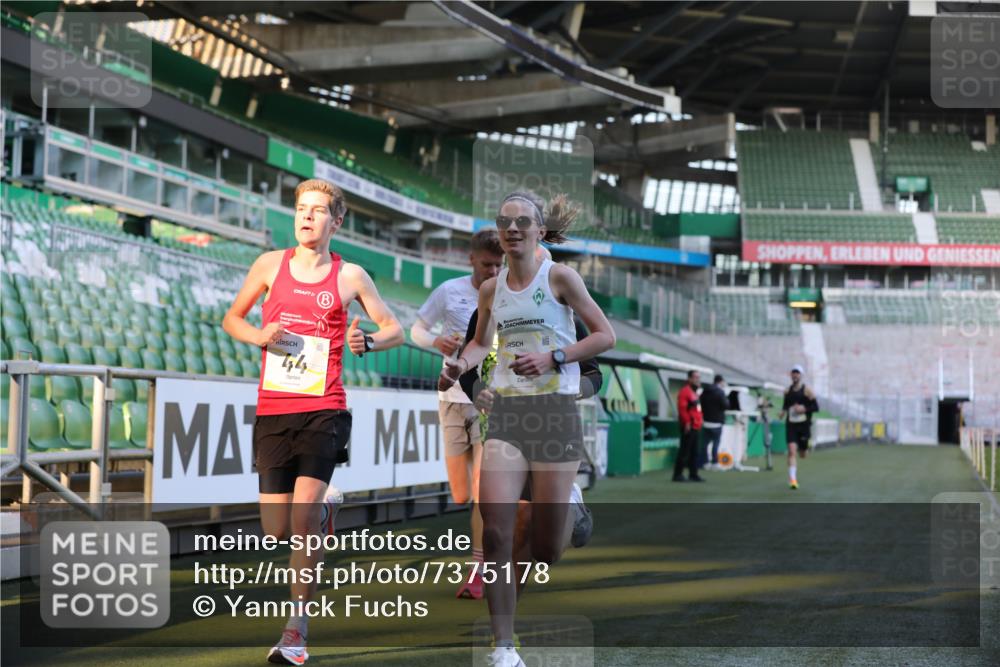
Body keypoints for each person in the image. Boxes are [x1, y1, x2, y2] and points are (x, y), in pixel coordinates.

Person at [223, 178, 404, 665]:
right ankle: (326, 513)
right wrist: (260, 336)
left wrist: (369, 341)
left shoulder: (351, 277)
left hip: (325, 407)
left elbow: (394, 329)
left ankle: (295, 633)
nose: (306, 216)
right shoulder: (268, 265)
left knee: (300, 525)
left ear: (336, 221)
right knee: (276, 531)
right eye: (301, 209)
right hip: (273, 410)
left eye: (318, 210)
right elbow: (232, 319)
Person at [438, 191, 615, 667]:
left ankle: (569, 501)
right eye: (505, 222)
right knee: (495, 534)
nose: (512, 228)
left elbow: (605, 335)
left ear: (539, 231)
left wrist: (555, 357)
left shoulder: (560, 277)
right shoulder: (491, 291)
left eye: (522, 222)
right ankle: (503, 648)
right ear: (499, 233)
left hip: (554, 414)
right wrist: (459, 368)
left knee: (545, 549)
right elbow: (477, 345)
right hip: (509, 418)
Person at [410, 228, 504, 599]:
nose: (493, 272)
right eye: (487, 265)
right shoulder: (449, 291)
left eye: (499, 265)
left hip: (489, 402)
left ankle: (477, 571)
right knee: (461, 494)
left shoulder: (507, 294)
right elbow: (416, 328)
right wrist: (435, 341)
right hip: (451, 397)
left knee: (483, 492)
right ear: (471, 260)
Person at [778, 364, 819, 490]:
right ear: (791, 375)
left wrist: (804, 408)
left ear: (801, 375)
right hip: (791, 425)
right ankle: (793, 480)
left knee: (803, 454)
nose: (795, 375)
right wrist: (782, 413)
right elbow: (785, 405)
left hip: (804, 425)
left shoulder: (807, 391)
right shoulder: (787, 391)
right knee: (791, 451)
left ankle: (807, 445)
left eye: (797, 373)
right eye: (793, 372)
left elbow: (816, 407)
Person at [674, 370, 705, 482]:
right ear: (689, 379)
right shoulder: (685, 392)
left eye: (699, 377)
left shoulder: (695, 393)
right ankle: (677, 474)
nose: (698, 380)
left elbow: (697, 409)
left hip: (696, 426)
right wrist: (687, 422)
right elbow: (682, 409)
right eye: (695, 377)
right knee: (684, 451)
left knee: (694, 452)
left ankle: (693, 474)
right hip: (689, 426)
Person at [700, 374, 728, 469]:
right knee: (715, 443)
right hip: (717, 422)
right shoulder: (720, 392)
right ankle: (715, 462)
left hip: (706, 421)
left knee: (705, 443)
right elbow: (725, 405)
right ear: (721, 381)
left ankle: (705, 462)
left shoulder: (705, 391)